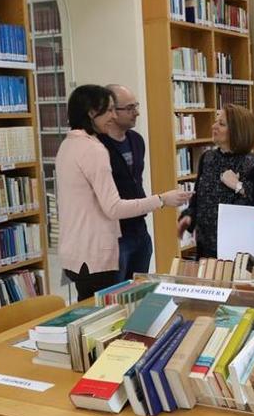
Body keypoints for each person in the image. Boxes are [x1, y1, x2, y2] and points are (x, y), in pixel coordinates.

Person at [56, 85, 191, 300]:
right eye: (108, 110)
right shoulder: (94, 148)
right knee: (116, 310)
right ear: (91, 113)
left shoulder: (68, 145)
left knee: (98, 311)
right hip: (98, 251)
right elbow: (113, 207)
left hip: (80, 253)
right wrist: (162, 200)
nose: (112, 116)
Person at [177, 104, 254, 258]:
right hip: (206, 244)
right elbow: (198, 196)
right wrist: (189, 216)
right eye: (216, 122)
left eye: (221, 124)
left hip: (237, 247)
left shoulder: (252, 164)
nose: (214, 126)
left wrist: (238, 186)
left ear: (237, 131)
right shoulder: (207, 158)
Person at [96, 84, 151, 281]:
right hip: (115, 233)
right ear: (111, 111)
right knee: (115, 294)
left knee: (139, 292)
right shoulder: (97, 146)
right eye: (129, 108)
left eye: (136, 106)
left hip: (140, 228)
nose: (136, 113)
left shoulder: (136, 140)